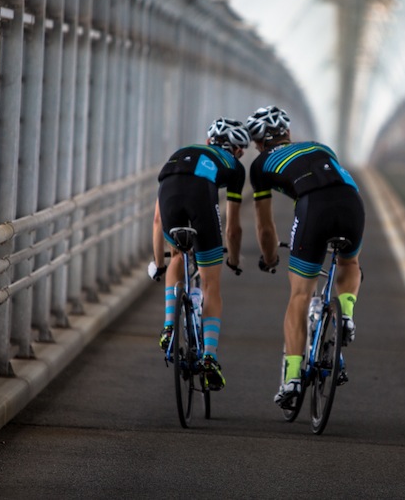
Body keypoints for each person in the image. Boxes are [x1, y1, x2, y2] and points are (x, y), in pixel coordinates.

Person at [245, 105, 365, 408]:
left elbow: (265, 226)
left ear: (258, 143)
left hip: (314, 207)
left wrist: (270, 257)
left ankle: (293, 378)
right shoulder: (319, 146)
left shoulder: (260, 166)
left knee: (300, 294)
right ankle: (346, 315)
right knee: (350, 262)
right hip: (352, 201)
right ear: (287, 133)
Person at [150, 118, 250, 390]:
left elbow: (158, 220)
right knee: (210, 284)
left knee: (179, 256)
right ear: (238, 150)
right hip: (201, 199)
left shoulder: (178, 154)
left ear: (208, 141)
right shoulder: (235, 167)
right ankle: (209, 357)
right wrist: (233, 259)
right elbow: (233, 227)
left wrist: (159, 264)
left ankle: (169, 327)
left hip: (170, 191)